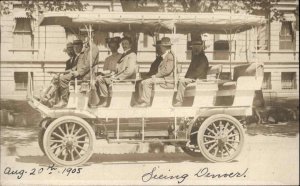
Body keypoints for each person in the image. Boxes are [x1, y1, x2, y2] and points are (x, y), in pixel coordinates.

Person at [52, 39, 100, 108]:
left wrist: (78, 72)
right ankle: (55, 99)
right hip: (80, 74)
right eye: (74, 48)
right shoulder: (81, 53)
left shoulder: (91, 49)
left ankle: (65, 101)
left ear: (81, 46)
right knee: (59, 78)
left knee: (62, 79)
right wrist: (61, 72)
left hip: (85, 76)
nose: (75, 50)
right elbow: (75, 67)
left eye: (77, 48)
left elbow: (88, 64)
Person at [95, 37, 137, 107]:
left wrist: (117, 78)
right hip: (117, 77)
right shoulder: (125, 54)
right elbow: (119, 69)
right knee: (99, 78)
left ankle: (105, 100)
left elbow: (129, 71)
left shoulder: (131, 55)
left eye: (126, 43)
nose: (124, 45)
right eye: (123, 44)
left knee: (100, 79)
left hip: (124, 79)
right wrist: (113, 75)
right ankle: (104, 99)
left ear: (130, 45)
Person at [135, 37, 175, 107]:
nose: (159, 48)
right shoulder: (164, 56)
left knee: (147, 82)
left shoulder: (170, 56)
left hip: (168, 80)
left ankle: (146, 102)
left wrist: (155, 76)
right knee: (142, 82)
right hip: (163, 78)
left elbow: (167, 70)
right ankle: (141, 100)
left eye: (160, 47)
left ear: (163, 47)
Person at [173, 39, 209, 106]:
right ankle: (183, 99)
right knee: (179, 80)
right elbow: (190, 70)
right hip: (193, 78)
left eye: (197, 48)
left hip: (199, 78)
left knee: (182, 82)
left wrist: (187, 77)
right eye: (194, 48)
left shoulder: (203, 58)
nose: (195, 49)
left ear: (201, 48)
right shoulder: (196, 57)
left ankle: (179, 101)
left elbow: (199, 71)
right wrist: (186, 77)